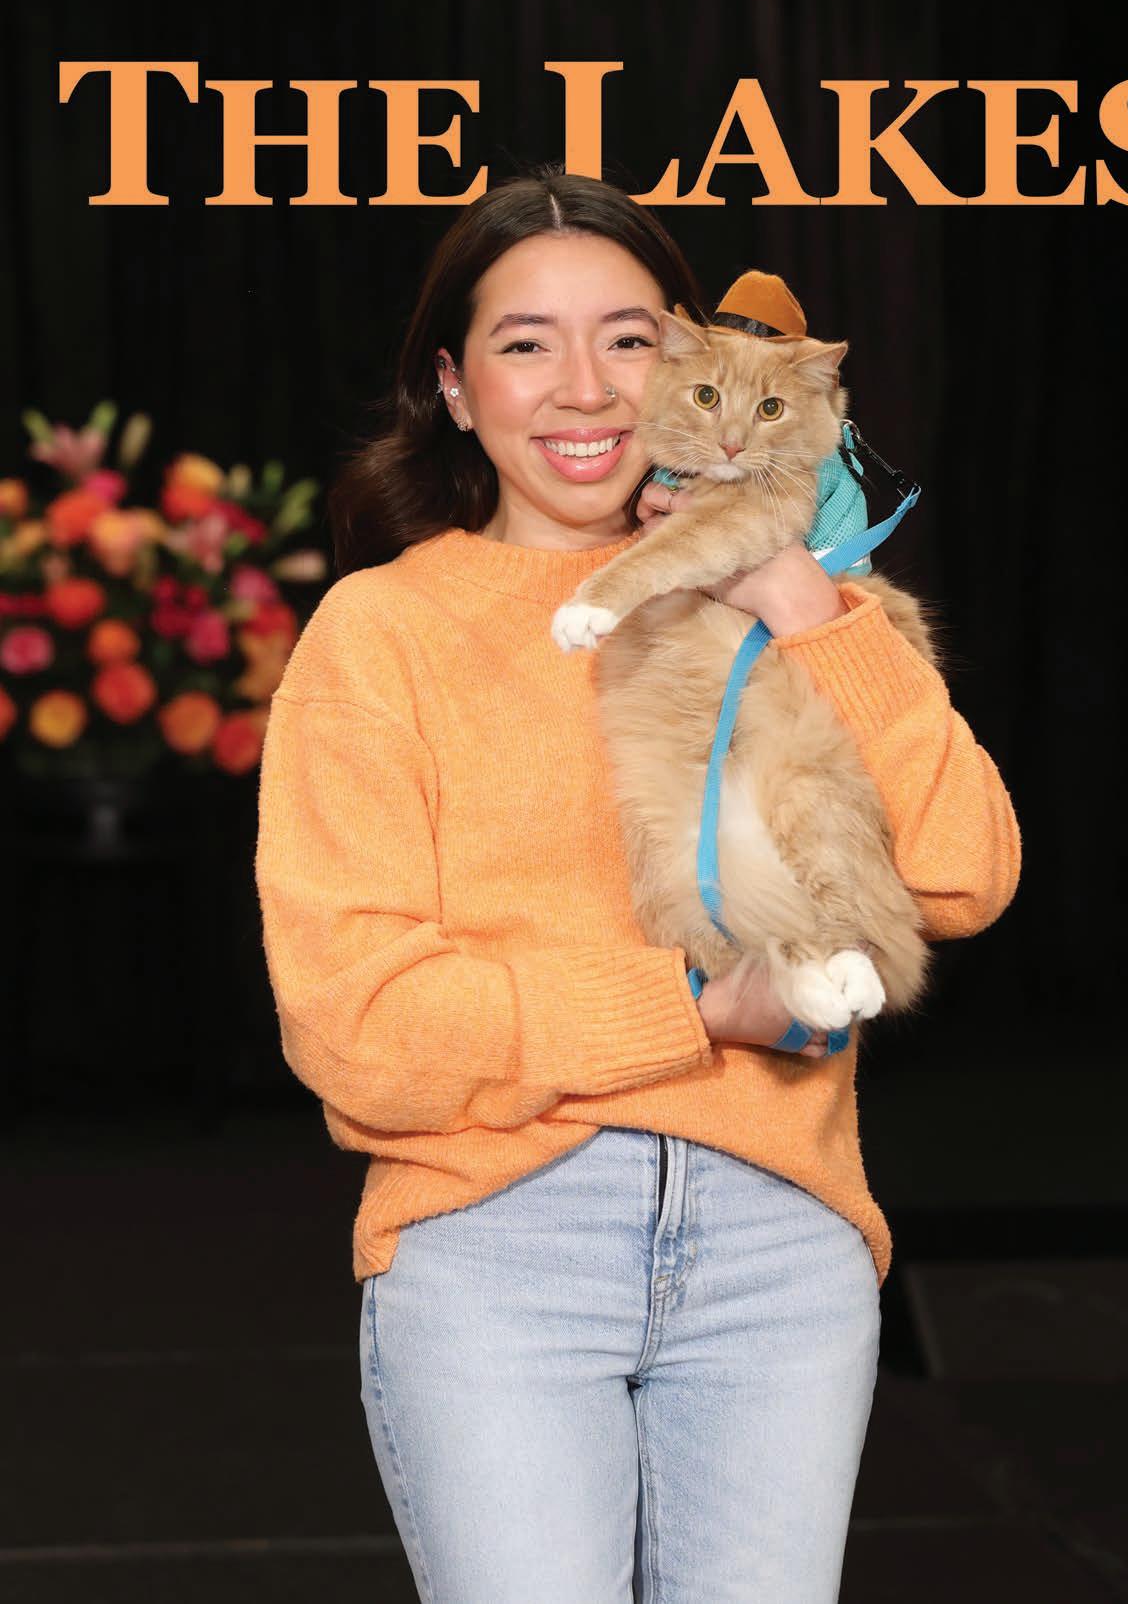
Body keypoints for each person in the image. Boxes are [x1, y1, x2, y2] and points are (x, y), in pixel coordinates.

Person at [254, 165, 1022, 1603]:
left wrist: (801, 605)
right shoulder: (383, 633)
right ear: (454, 388)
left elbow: (963, 874)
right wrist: (696, 1009)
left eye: (628, 337)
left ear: (692, 360)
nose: (586, 388)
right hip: (499, 1243)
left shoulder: (805, 596)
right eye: (524, 343)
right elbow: (358, 1027)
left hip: (779, 1241)